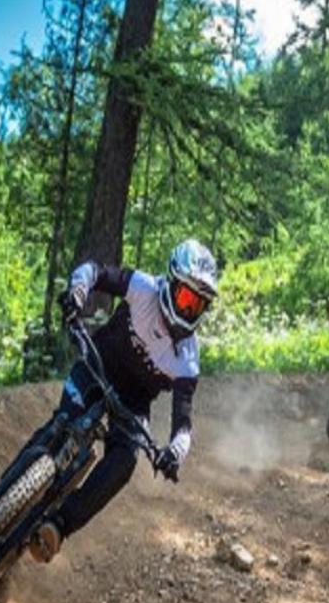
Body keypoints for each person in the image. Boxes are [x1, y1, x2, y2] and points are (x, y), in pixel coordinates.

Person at [23, 239, 218, 562]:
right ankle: (9, 489)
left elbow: (183, 423)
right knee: (60, 424)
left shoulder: (188, 359)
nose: (187, 309)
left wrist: (174, 454)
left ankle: (58, 526)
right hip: (96, 365)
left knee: (125, 461)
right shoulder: (144, 289)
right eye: (185, 297)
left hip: (133, 403)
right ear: (171, 282)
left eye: (197, 306)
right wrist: (77, 295)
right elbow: (95, 272)